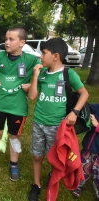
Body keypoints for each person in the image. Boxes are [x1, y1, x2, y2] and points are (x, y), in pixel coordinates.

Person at [27, 38, 89, 201]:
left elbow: (84, 93)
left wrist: (75, 112)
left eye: (43, 53)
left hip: (58, 126)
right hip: (39, 122)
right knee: (37, 156)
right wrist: (35, 76)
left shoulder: (69, 74)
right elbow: (32, 96)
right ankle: (36, 184)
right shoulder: (42, 74)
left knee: (55, 158)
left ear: (55, 56)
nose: (40, 57)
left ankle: (53, 177)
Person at [0, 27, 41, 181]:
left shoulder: (31, 60)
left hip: (18, 107)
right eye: (6, 39)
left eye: (11, 39)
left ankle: (14, 164)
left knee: (14, 136)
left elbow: (47, 71)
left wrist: (34, 84)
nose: (6, 42)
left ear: (22, 42)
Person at [71, 107, 99, 200]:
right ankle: (78, 186)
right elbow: (88, 107)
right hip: (89, 147)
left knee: (97, 172)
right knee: (83, 167)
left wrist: (97, 125)